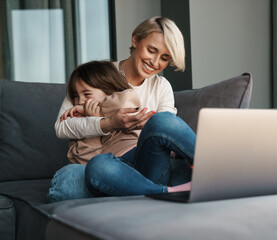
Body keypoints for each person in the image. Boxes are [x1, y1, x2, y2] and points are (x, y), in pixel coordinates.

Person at [47, 16, 195, 202]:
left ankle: (218, 168)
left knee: (162, 120)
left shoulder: (161, 86)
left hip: (148, 159)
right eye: (151, 50)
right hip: (114, 165)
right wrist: (107, 123)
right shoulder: (99, 74)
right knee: (83, 173)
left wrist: (148, 127)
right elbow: (61, 127)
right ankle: (161, 192)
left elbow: (165, 133)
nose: (155, 62)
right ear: (135, 40)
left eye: (164, 58)